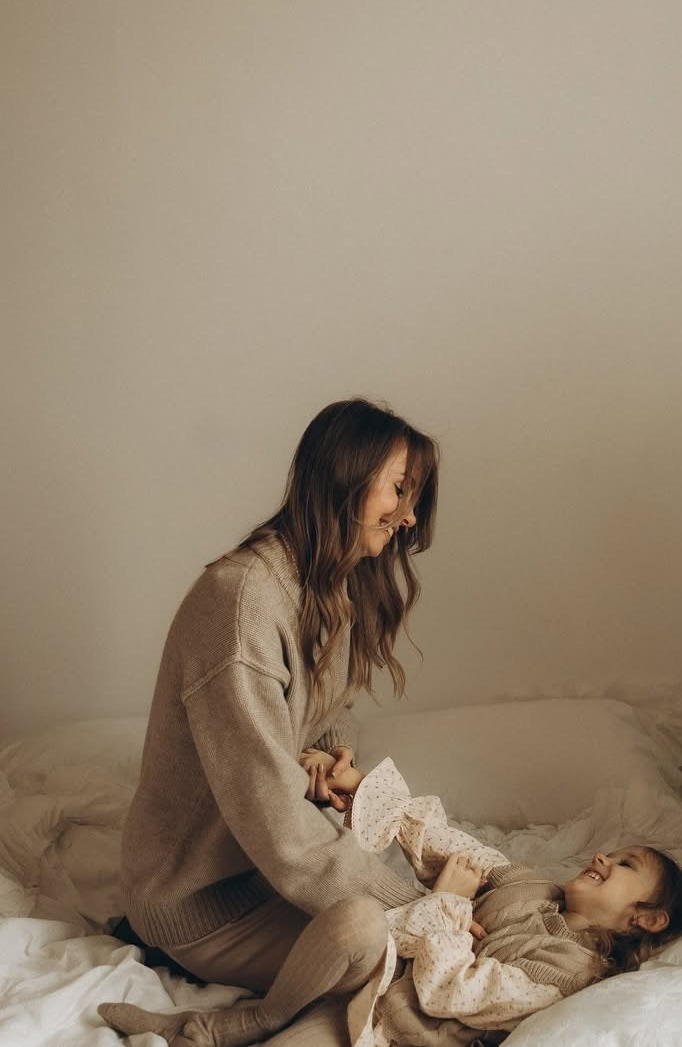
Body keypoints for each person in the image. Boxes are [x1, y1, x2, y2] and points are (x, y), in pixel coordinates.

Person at [100, 759, 682, 1047]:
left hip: (372, 1024)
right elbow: (442, 840)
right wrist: (357, 784)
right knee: (359, 917)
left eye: (622, 865)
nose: (601, 858)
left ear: (646, 919)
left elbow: (450, 993)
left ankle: (193, 1034)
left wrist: (448, 902)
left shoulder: (567, 977)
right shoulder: (528, 884)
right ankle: (243, 1021)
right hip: (357, 963)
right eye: (609, 852)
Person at [116, 397, 440, 994]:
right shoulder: (241, 602)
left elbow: (307, 716)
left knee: (434, 953)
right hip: (204, 906)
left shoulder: (327, 587)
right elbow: (277, 824)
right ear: (346, 477)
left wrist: (325, 755)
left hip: (265, 875)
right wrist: (412, 907)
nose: (410, 517)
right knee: (415, 971)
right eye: (400, 490)